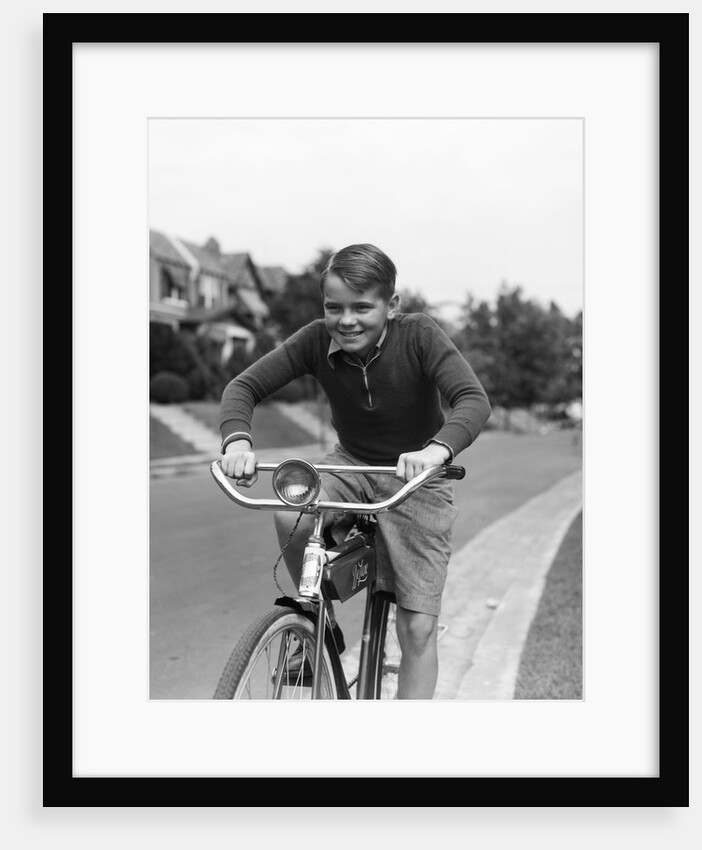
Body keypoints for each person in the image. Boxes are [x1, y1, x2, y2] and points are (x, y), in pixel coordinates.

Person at [219, 243, 491, 699]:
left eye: (363, 307)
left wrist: (435, 451)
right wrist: (238, 441)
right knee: (291, 512)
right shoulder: (312, 340)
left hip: (417, 475)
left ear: (392, 306)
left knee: (417, 628)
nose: (347, 320)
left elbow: (473, 400)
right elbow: (243, 386)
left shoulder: (420, 335)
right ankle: (319, 622)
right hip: (352, 462)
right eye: (334, 307)